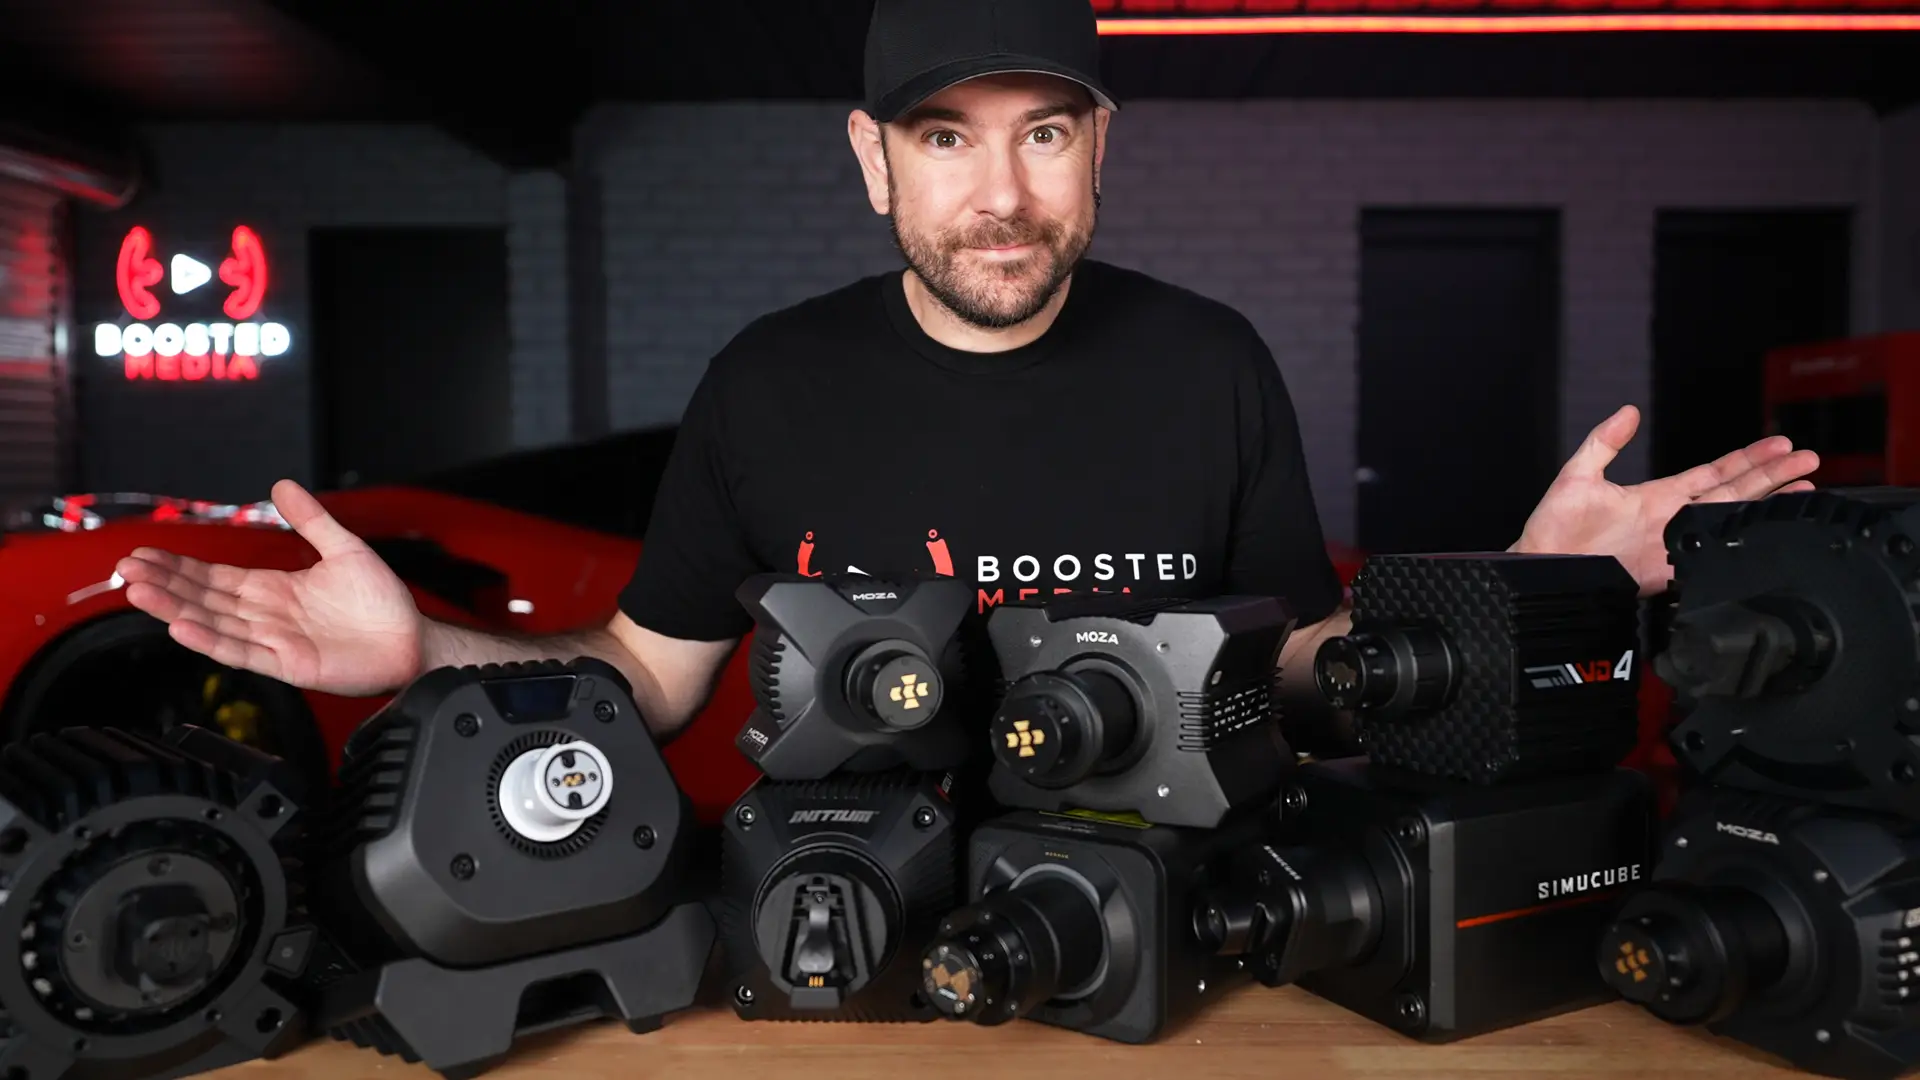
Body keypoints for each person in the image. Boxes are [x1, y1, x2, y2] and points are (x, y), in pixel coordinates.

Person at [116, 0, 1816, 748]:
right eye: (945, 136)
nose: (1001, 194)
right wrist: (429, 653)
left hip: (1182, 942)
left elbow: (1302, 672)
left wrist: (1515, 596)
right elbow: (649, 680)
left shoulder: (1210, 360)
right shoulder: (766, 384)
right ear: (873, 161)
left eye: (1045, 134)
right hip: (846, 948)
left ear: (1100, 152)